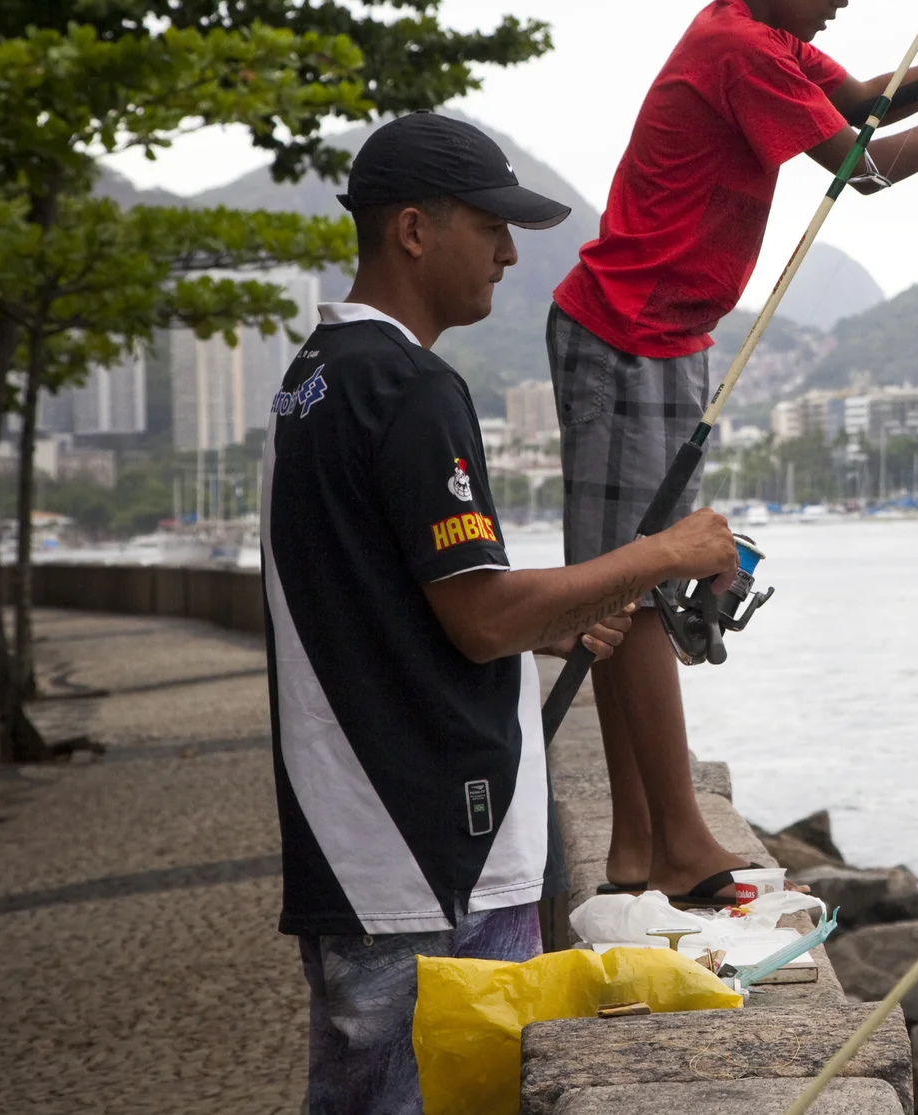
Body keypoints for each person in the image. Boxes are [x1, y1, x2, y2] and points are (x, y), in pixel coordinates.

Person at [548, 0, 918, 902]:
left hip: (664, 335)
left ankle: (637, 848)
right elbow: (867, 164)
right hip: (623, 331)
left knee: (638, 583)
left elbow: (862, 99)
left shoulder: (763, 40)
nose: (841, 1)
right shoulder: (739, 49)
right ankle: (680, 841)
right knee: (631, 584)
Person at [263, 111, 744, 1114]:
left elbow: (388, 596)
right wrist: (665, 552)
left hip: (355, 844)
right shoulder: (411, 385)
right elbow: (481, 618)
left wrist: (555, 621)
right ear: (412, 230)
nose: (509, 253)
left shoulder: (313, 377)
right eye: (489, 226)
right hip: (430, 858)